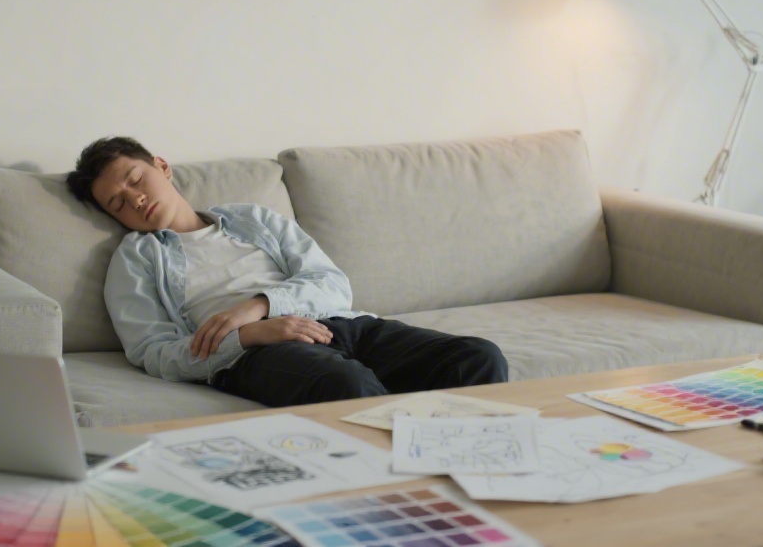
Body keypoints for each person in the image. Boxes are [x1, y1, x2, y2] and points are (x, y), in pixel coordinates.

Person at [65, 136, 508, 408]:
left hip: (340, 324)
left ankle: (471, 478)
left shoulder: (253, 218)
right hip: (253, 355)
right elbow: (154, 352)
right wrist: (248, 335)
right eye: (118, 203)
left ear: (162, 166)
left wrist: (258, 306)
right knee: (346, 384)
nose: (135, 199)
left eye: (135, 180)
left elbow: (333, 284)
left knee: (476, 357)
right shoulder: (136, 258)